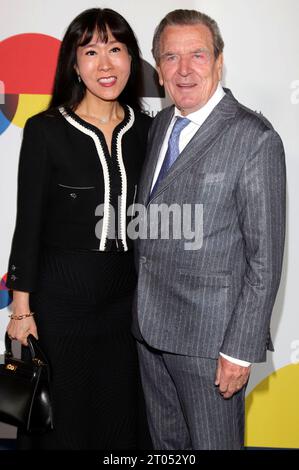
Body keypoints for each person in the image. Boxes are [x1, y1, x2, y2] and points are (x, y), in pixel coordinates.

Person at [132, 9, 286, 450]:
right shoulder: (161, 125)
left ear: (219, 61)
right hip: (149, 330)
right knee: (168, 450)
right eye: (170, 57)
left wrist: (238, 349)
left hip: (210, 343)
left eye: (197, 55)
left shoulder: (254, 138)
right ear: (158, 69)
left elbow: (265, 260)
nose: (184, 70)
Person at [6, 8, 152, 450]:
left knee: (120, 416)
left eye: (115, 49)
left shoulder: (149, 129)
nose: (105, 64)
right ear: (73, 61)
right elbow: (27, 224)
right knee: (64, 420)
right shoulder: (46, 130)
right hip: (61, 300)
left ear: (132, 58)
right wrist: (21, 310)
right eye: (91, 51)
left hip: (127, 302)